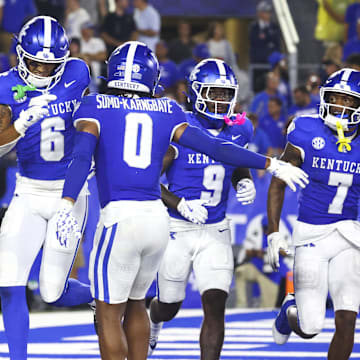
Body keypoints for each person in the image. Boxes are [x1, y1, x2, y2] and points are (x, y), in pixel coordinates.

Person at [54, 41, 308, 360]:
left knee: (108, 313)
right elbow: (216, 148)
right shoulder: (169, 110)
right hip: (160, 224)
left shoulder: (94, 105)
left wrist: (66, 202)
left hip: (122, 217)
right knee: (139, 305)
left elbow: (80, 157)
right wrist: (271, 163)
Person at [147, 57, 259, 359]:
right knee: (169, 306)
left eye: (225, 94)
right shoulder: (179, 128)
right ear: (195, 93)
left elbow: (235, 161)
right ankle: (153, 318)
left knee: (215, 304)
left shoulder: (239, 128)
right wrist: (179, 203)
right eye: (214, 93)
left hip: (216, 229)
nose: (221, 101)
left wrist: (243, 180)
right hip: (177, 228)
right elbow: (147, 180)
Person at [0, 16, 93, 359]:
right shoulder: (4, 86)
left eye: (49, 64)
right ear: (19, 54)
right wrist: (20, 125)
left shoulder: (77, 73)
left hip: (68, 193)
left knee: (53, 292)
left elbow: (90, 120)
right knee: (8, 282)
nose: (41, 71)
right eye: (35, 62)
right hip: (27, 190)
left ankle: (100, 295)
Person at [267, 67, 360, 360]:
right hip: (312, 235)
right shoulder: (305, 131)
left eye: (349, 100)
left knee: (347, 320)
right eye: (335, 98)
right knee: (309, 327)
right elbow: (278, 182)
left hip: (351, 235)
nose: (340, 106)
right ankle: (288, 310)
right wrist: (273, 232)